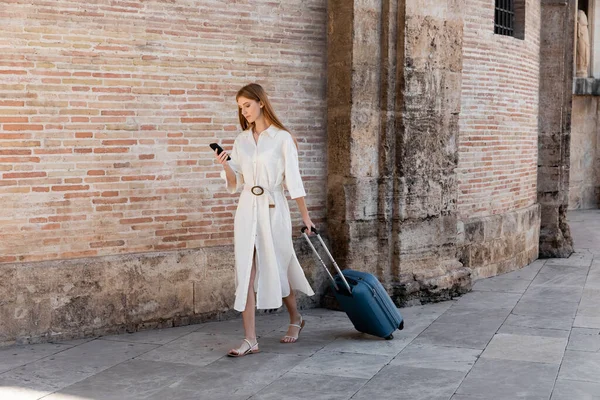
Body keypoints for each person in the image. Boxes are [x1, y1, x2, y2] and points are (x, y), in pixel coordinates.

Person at [214, 83, 316, 357]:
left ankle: (295, 318)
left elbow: (294, 181)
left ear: (260, 102)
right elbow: (236, 182)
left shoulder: (282, 138)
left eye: (247, 104)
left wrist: (305, 217)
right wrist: (225, 163)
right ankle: (250, 339)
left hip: (274, 207)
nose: (244, 111)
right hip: (247, 207)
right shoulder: (241, 140)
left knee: (277, 267)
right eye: (240, 107)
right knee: (246, 271)